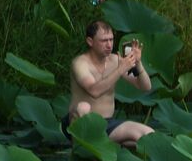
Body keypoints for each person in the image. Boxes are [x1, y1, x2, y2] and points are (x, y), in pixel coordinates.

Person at [64, 20, 155, 149]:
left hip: (107, 124)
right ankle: (81, 149)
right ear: (90, 41)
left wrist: (138, 63)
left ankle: (112, 145)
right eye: (104, 41)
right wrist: (120, 70)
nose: (109, 45)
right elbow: (93, 90)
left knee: (148, 134)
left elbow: (145, 87)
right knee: (83, 107)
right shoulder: (80, 63)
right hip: (80, 124)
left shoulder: (115, 60)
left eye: (111, 40)